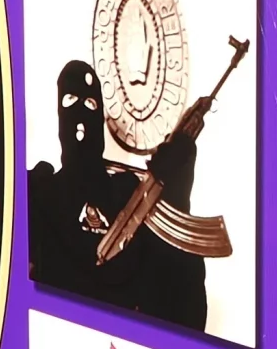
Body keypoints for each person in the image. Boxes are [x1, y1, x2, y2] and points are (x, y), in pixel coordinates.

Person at [26, 60, 207, 329]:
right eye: (70, 100)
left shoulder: (127, 196)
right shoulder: (40, 191)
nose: (80, 114)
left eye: (90, 105)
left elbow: (186, 318)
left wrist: (175, 196)